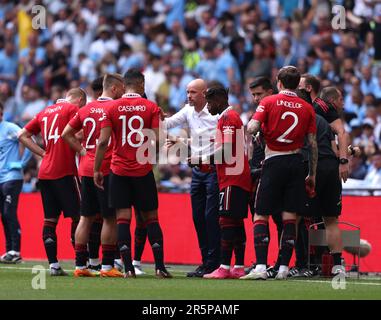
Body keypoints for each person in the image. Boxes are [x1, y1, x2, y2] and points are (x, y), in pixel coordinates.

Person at [94, 69, 172, 278]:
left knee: (122, 219)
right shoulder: (151, 107)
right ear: (141, 85)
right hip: (142, 170)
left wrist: (96, 169)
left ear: (125, 84)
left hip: (118, 171)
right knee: (151, 219)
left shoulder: (111, 107)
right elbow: (159, 140)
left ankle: (128, 268)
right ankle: (159, 267)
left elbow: (103, 142)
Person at [242, 66, 318, 280]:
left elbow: (251, 127)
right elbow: (312, 145)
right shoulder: (306, 107)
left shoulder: (268, 102)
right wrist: (311, 174)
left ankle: (259, 267)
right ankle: (283, 267)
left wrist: (256, 127)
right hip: (296, 162)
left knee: (261, 214)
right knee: (290, 217)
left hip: (274, 160)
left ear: (279, 83)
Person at [62, 74, 125, 277]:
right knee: (109, 218)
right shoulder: (114, 109)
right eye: (122, 88)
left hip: (85, 168)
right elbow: (105, 142)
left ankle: (81, 266)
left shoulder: (86, 108)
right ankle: (107, 267)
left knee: (85, 218)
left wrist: (81, 151)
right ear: (114, 89)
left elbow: (66, 133)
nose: (124, 92)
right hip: (105, 169)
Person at [18, 88, 87, 276]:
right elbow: (80, 134)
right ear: (80, 100)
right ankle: (82, 263)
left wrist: (43, 153)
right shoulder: (72, 110)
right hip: (64, 171)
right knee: (79, 217)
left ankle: (54, 265)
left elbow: (22, 135)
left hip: (45, 173)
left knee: (50, 220)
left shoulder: (44, 112)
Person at [190, 86, 251, 279]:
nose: (208, 107)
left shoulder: (227, 118)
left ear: (219, 99)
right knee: (236, 222)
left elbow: (224, 152)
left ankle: (224, 267)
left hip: (232, 178)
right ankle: (239, 266)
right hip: (237, 176)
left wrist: (199, 159)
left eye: (209, 102)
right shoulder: (231, 118)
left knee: (226, 222)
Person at [163, 78, 221, 277]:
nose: (189, 96)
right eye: (188, 92)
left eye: (193, 92)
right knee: (198, 218)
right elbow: (168, 123)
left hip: (214, 170)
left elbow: (221, 144)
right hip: (197, 173)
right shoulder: (188, 110)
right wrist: (151, 115)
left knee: (210, 217)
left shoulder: (217, 113)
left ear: (205, 93)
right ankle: (206, 262)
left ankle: (214, 262)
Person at [246, 77, 283, 278]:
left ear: (270, 92)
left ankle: (278, 262)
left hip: (273, 170)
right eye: (253, 95)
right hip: (257, 172)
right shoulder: (257, 114)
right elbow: (252, 146)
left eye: (259, 94)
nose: (255, 98)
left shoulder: (277, 112)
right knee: (260, 216)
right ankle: (264, 262)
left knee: (278, 218)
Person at [0, 102, 32, 263]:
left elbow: (27, 137)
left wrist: (22, 163)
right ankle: (9, 251)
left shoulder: (9, 127)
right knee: (3, 215)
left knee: (8, 212)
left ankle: (16, 250)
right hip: (0, 178)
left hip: (12, 177)